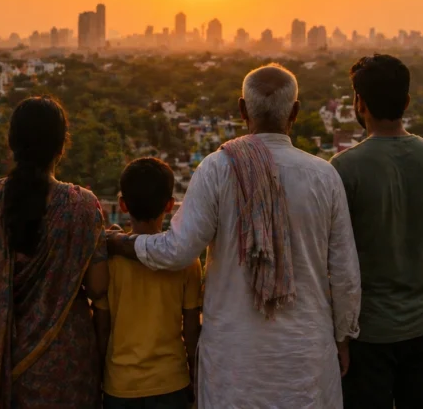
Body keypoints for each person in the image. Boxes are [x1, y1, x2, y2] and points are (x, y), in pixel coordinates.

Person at [108, 64, 362, 408]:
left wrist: (123, 243)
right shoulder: (323, 176)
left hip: (234, 365)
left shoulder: (218, 168)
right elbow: (345, 274)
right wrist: (343, 338)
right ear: (295, 112)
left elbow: (178, 251)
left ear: (242, 109)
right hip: (305, 359)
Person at [330, 54, 423, 409]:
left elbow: (331, 258)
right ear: (406, 101)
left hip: (367, 333)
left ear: (358, 103)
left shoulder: (343, 169)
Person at [0, 96, 109, 409]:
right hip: (64, 365)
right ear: (61, 145)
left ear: (12, 143)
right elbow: (97, 287)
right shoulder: (83, 206)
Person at [94, 157, 202, 409]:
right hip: (171, 383)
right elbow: (191, 329)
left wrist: (96, 375)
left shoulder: (108, 261)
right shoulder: (186, 262)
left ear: (122, 205)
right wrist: (196, 377)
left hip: (119, 385)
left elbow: (101, 326)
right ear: (169, 205)